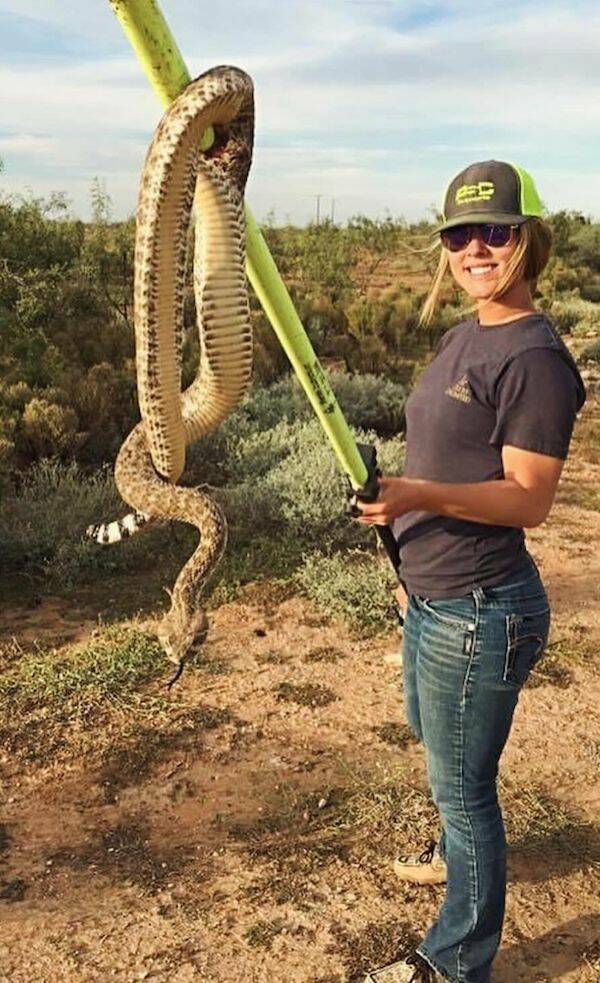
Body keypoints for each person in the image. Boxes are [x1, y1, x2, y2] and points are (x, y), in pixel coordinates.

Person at [354, 161, 586, 983]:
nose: (474, 249)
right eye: (459, 234)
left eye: (493, 231)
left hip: (481, 608)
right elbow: (442, 451)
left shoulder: (535, 358)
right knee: (434, 738)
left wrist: (417, 495)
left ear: (526, 239)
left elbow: (529, 499)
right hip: (433, 593)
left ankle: (455, 962)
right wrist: (406, 542)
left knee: (465, 788)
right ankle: (455, 850)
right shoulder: (466, 333)